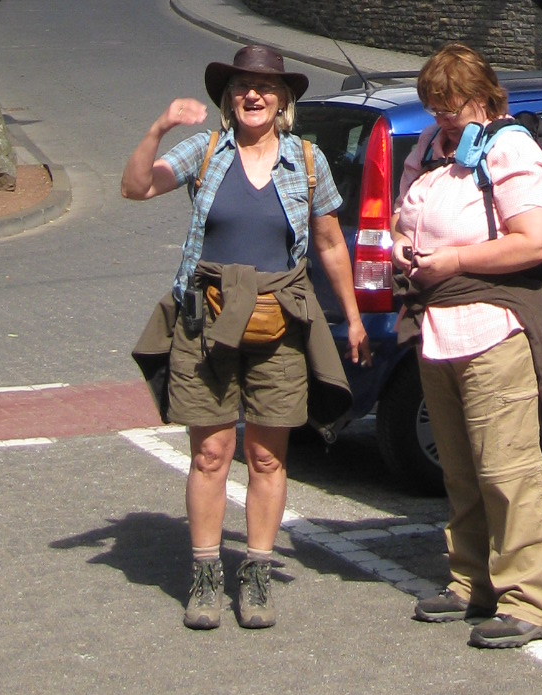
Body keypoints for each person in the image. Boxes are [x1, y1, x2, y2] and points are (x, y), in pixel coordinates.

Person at [123, 44, 367, 632]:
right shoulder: (206, 151)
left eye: (264, 87)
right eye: (241, 87)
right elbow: (136, 187)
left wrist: (353, 316)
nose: (252, 95)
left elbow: (330, 242)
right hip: (206, 321)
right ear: (228, 98)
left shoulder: (307, 160)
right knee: (210, 454)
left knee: (266, 455)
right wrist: (158, 128)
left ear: (282, 101)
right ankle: (206, 574)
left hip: (280, 323)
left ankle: (256, 573)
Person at [393, 43, 542, 647]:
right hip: (438, 328)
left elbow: (537, 240)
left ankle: (530, 602)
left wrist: (456, 260)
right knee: (461, 468)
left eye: (451, 105)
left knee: (507, 470)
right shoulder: (429, 147)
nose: (442, 117)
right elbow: (404, 218)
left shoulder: (510, 148)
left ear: (484, 98)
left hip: (494, 329)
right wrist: (403, 248)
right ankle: (471, 581)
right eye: (434, 106)